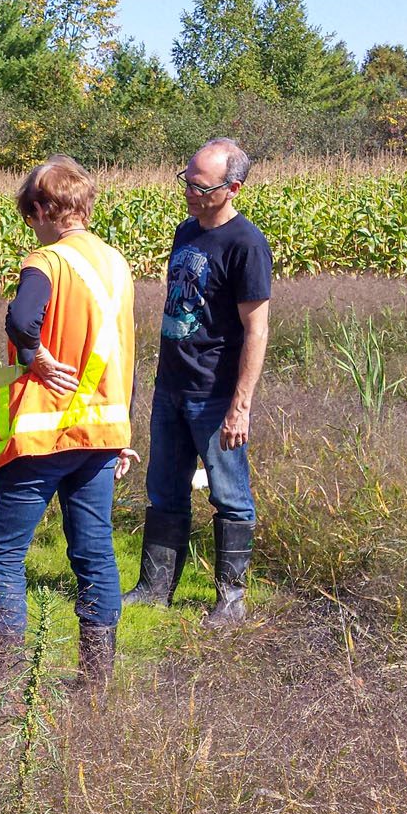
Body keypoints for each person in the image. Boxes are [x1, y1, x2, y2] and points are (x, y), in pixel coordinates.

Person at [0, 155, 138, 689]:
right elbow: (120, 352)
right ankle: (95, 686)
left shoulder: (47, 261)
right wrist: (122, 438)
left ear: (46, 208)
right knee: (94, 552)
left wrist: (36, 358)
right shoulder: (116, 264)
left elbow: (22, 321)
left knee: (2, 557)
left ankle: (0, 687)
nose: (33, 225)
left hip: (42, 433)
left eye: (33, 215)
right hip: (101, 435)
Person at [123, 138, 271, 627]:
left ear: (232, 188)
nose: (188, 190)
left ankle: (231, 599)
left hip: (214, 395)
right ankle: (154, 589)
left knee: (229, 496)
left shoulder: (246, 245)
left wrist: (239, 406)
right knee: (163, 490)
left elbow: (256, 329)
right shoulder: (186, 232)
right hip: (171, 388)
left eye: (199, 185)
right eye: (184, 180)